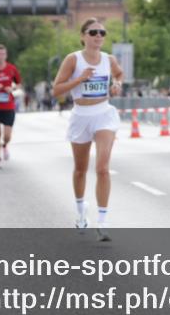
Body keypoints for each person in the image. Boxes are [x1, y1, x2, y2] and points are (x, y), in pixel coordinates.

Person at [52, 18, 124, 242]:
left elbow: (119, 74)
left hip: (104, 114)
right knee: (80, 169)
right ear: (83, 36)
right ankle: (81, 209)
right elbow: (56, 90)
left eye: (102, 32)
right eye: (93, 32)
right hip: (81, 116)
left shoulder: (108, 59)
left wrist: (117, 84)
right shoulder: (73, 60)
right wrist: (80, 79)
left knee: (102, 168)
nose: (98, 36)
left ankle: (103, 222)